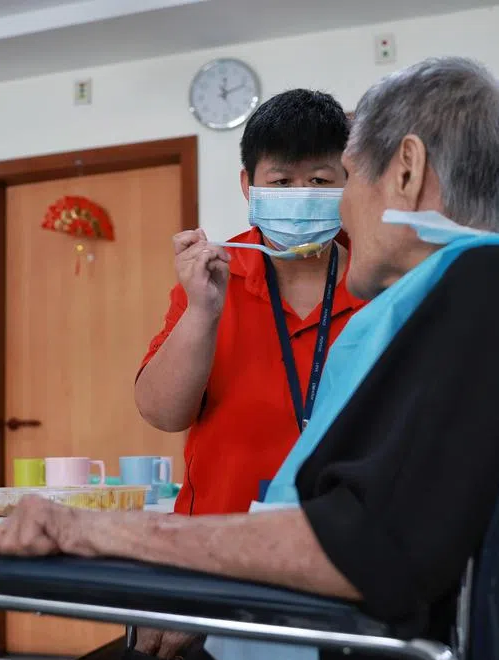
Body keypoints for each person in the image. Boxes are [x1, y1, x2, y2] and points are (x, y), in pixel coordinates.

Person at [0, 57, 499, 660]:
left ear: (406, 170)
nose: (341, 208)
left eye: (346, 178)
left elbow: (361, 548)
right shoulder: (477, 291)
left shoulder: (476, 295)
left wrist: (89, 534)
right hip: (330, 650)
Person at [134, 89, 364, 517]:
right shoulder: (212, 275)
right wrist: (203, 310)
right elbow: (162, 413)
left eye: (319, 180)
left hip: (343, 542)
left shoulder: (381, 281)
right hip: (218, 543)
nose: (301, 195)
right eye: (281, 182)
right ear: (249, 186)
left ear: (348, 180)